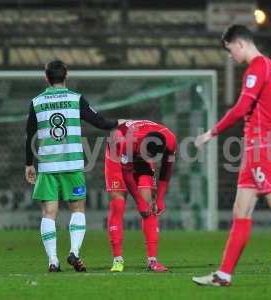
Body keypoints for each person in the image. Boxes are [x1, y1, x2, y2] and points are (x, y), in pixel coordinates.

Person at [191, 25, 271, 288]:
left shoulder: (257, 68)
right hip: (261, 148)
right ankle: (224, 274)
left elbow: (241, 108)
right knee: (241, 209)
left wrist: (211, 133)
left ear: (239, 44)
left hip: (260, 148)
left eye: (230, 50)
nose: (231, 57)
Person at [25, 60, 120, 272]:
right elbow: (100, 122)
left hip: (48, 166)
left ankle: (53, 261)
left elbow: (29, 134)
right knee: (77, 209)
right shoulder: (75, 99)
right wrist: (120, 123)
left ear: (45, 77)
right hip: (72, 164)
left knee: (49, 212)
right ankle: (74, 252)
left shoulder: (36, 102)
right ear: (66, 74)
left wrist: (28, 164)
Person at [105, 120, 176, 272]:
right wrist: (138, 201)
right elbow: (127, 173)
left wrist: (160, 198)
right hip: (116, 153)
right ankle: (118, 260)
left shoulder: (170, 141)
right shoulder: (128, 142)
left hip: (139, 156)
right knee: (118, 204)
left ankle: (153, 261)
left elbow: (166, 170)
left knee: (150, 206)